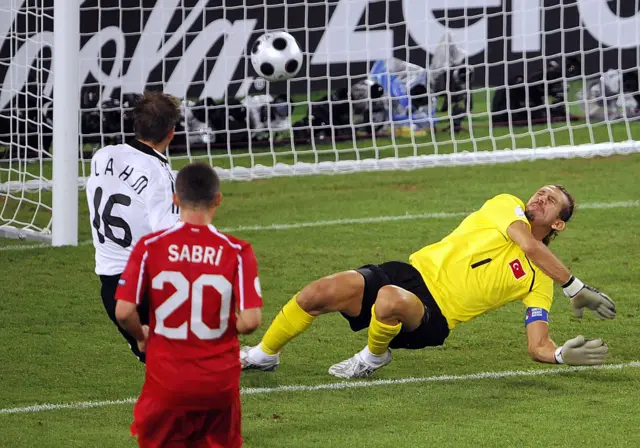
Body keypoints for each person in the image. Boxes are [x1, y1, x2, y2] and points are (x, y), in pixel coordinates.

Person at [241, 185, 615, 379]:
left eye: (550, 201)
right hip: (409, 273)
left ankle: (373, 357)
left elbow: (538, 344)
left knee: (388, 299)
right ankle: (264, 355)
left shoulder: (538, 282)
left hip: (434, 317)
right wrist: (576, 287)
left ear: (558, 223)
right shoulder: (506, 206)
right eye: (541, 191)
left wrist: (561, 355)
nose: (540, 197)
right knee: (316, 294)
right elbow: (528, 244)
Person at [115, 162, 263, 447]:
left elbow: (123, 311)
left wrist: (141, 335)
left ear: (175, 199)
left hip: (167, 384)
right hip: (219, 386)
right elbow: (251, 321)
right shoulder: (238, 251)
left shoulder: (150, 246)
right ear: (218, 200)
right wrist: (217, 321)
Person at [86, 91, 181, 362]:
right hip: (143, 292)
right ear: (171, 132)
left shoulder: (102, 156)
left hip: (109, 286)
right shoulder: (161, 177)